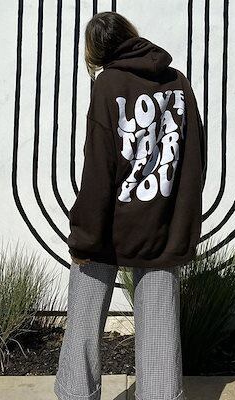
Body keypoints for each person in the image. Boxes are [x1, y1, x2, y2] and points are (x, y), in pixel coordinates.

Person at [54, 11, 207, 400]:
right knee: (159, 329)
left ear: (94, 51)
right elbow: (194, 156)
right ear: (131, 34)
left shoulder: (108, 84)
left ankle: (77, 394)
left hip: (108, 227)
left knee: (83, 321)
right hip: (162, 226)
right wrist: (182, 222)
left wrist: (84, 238)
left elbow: (99, 167)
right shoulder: (178, 82)